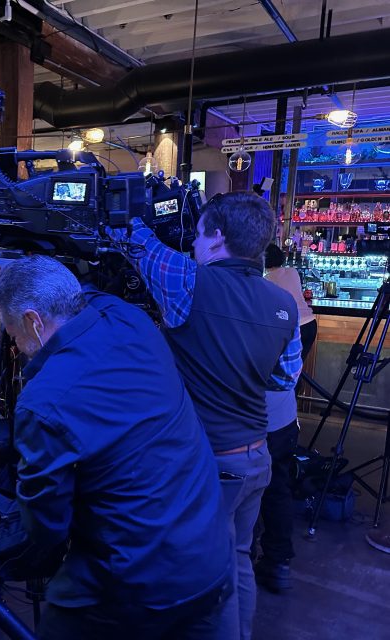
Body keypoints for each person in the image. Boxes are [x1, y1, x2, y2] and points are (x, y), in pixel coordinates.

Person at [0, 256, 233, 639]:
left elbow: (47, 525)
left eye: (11, 329)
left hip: (138, 583)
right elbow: (89, 294)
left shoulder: (44, 401)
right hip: (210, 551)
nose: (13, 344)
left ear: (34, 321)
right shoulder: (128, 318)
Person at [108, 191, 301, 640]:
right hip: (256, 458)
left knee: (196, 573)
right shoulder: (284, 303)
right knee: (237, 558)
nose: (192, 243)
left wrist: (127, 203)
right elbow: (282, 379)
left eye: (197, 235)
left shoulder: (189, 280)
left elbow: (133, 238)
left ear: (216, 238)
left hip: (209, 465)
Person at [255, 244, 317, 593]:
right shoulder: (286, 285)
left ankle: (240, 560)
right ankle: (277, 563)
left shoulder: (255, 296)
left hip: (252, 423)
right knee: (276, 485)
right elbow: (287, 376)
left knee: (242, 492)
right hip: (282, 419)